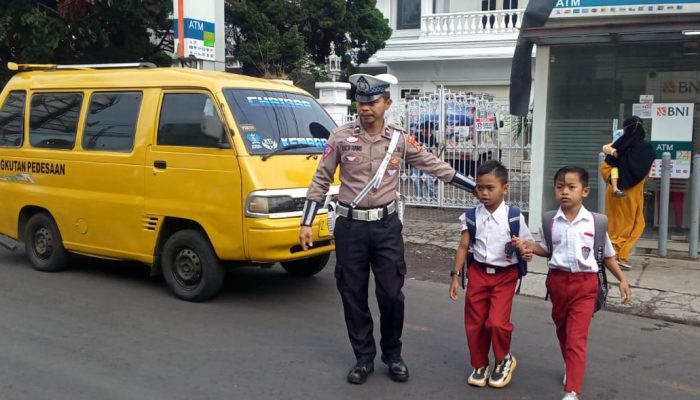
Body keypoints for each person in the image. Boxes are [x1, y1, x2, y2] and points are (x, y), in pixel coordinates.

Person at [299, 73, 476, 385]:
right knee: (352, 293)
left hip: (386, 226)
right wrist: (306, 222)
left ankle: (392, 354)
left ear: (387, 104)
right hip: (350, 227)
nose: (366, 107)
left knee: (392, 294)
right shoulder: (340, 137)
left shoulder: (399, 139)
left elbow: (433, 164)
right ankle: (363, 358)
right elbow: (320, 179)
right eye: (362, 101)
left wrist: (475, 187)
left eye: (373, 101)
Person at [513, 166, 632, 400]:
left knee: (577, 337)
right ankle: (571, 365)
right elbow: (546, 250)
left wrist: (622, 278)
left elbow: (607, 255)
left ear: (584, 191)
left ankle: (572, 391)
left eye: (571, 187)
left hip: (586, 284)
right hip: (557, 283)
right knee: (563, 331)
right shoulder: (549, 221)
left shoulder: (596, 223)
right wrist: (527, 246)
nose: (564, 192)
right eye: (559, 187)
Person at [448, 160, 534, 389]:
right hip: (478, 274)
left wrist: (524, 250)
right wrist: (455, 275)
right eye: (479, 187)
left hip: (505, 276)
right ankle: (480, 364)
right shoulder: (471, 217)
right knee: (475, 323)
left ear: (505, 188)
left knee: (496, 323)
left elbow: (529, 247)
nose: (483, 193)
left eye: (490, 187)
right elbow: (463, 247)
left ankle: (504, 358)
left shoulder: (514, 217)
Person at [600, 116, 655, 270]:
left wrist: (614, 179)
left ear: (626, 129)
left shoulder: (619, 147)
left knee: (616, 223)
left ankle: (615, 254)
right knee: (634, 223)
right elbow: (648, 172)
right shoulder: (647, 149)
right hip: (634, 193)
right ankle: (616, 256)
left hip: (615, 191)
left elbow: (605, 167)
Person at [410, 122, 437, 201]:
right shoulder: (416, 135)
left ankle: (433, 198)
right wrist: (417, 144)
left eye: (429, 130)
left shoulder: (433, 138)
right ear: (422, 129)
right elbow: (410, 145)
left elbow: (434, 150)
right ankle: (419, 198)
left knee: (429, 181)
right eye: (425, 130)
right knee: (416, 180)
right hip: (416, 161)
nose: (427, 132)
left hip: (427, 162)